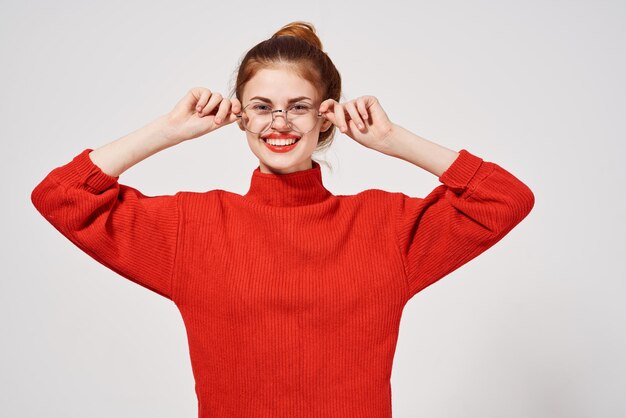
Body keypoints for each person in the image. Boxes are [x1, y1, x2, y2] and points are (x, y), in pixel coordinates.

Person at [31, 21, 534, 418]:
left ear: (325, 115)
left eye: (298, 107)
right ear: (241, 117)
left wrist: (394, 141)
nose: (279, 123)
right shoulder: (194, 227)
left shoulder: (385, 226)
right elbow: (61, 196)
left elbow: (505, 198)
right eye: (262, 106)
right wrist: (167, 130)